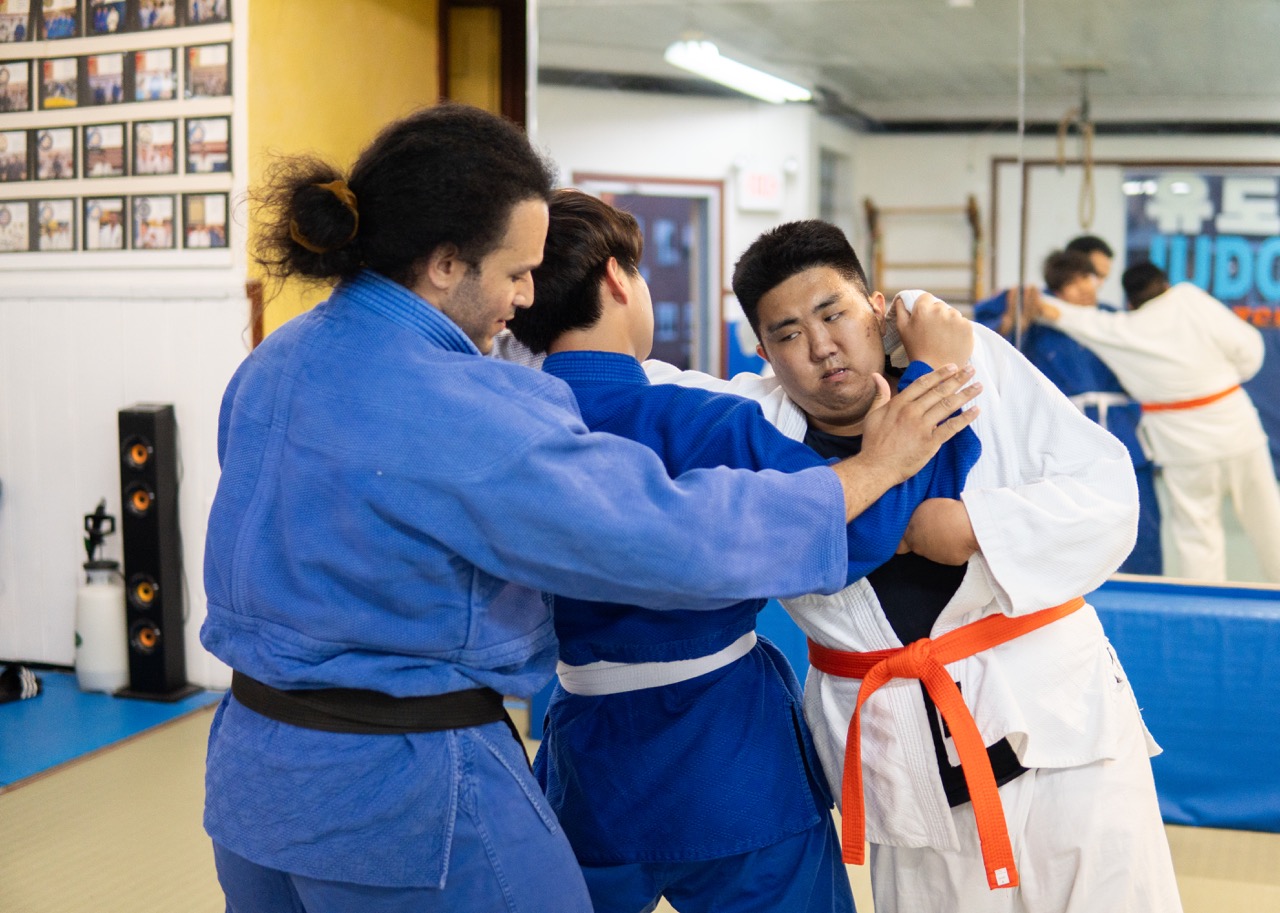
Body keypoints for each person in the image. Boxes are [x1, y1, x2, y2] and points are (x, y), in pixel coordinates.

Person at [201, 105, 979, 913]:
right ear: (442, 262)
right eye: (512, 272)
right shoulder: (483, 407)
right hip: (407, 792)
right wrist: (882, 460)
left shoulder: (279, 359)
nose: (525, 294)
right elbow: (668, 534)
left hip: (259, 777)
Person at [650, 220, 1181, 913]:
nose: (820, 347)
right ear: (762, 352)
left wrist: (978, 528)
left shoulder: (968, 365)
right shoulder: (753, 428)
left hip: (1062, 739)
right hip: (910, 781)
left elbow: (1109, 496)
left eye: (833, 313)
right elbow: (629, 384)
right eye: (787, 334)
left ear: (875, 305)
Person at [504, 190, 981, 913]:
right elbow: (863, 527)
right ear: (616, 280)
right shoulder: (703, 424)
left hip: (585, 755)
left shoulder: (503, 429)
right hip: (731, 757)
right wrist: (927, 380)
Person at [1038, 261, 1280, 583]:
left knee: (1197, 535)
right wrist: (1225, 377)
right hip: (1236, 428)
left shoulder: (1121, 329)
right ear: (1165, 285)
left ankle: (1203, 609)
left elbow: (1074, 319)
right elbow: (1249, 348)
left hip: (1183, 447)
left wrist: (1035, 300)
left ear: (1130, 302)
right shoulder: (1190, 299)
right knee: (1269, 522)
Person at [973, 236, 1162, 574]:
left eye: (1093, 279)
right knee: (1065, 517)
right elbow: (987, 344)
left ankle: (1144, 583)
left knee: (1137, 518)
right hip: (1064, 431)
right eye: (1078, 282)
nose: (1089, 288)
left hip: (1120, 428)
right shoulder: (1032, 310)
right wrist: (1016, 318)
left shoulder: (1108, 318)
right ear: (1058, 286)